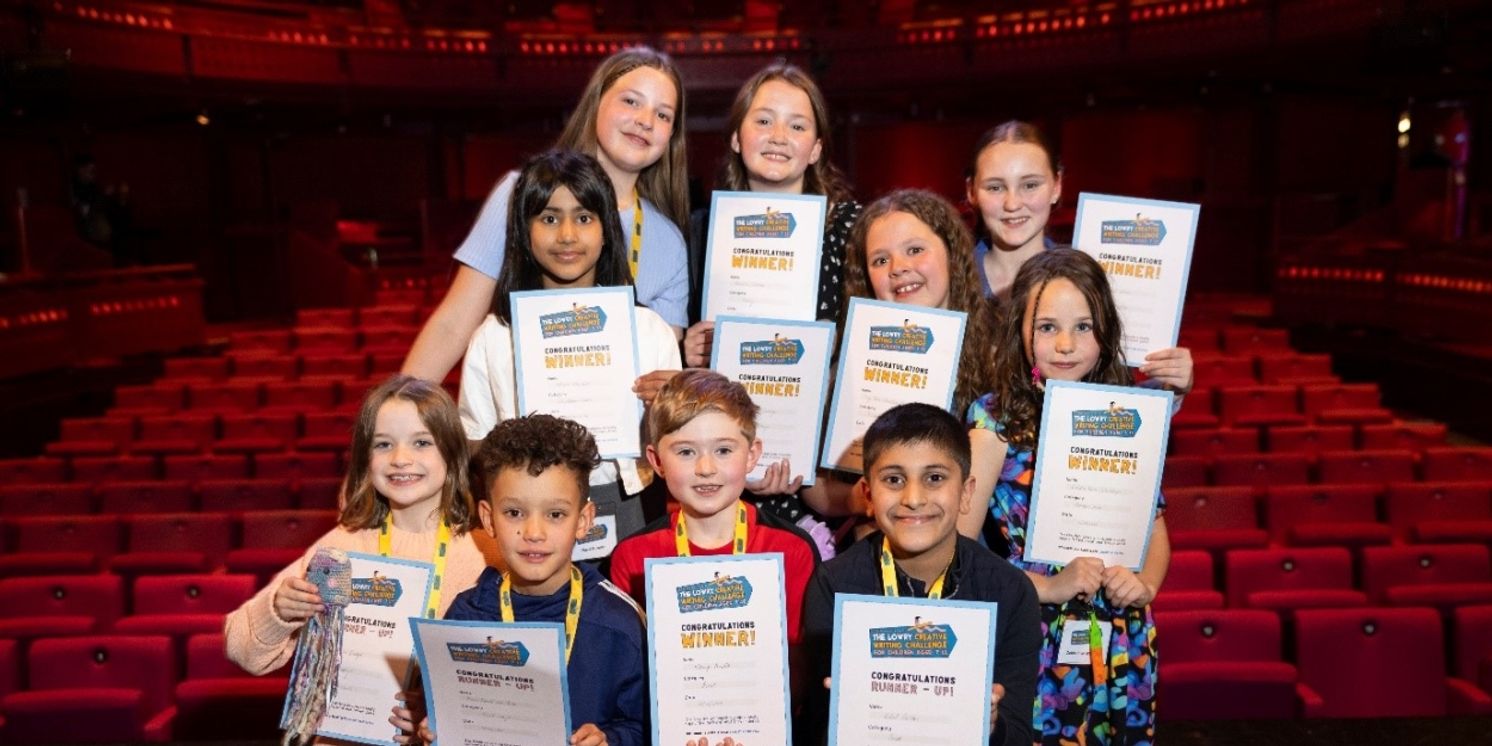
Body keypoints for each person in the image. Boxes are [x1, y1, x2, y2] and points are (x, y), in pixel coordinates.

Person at [968, 249, 1187, 744]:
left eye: (1083, 327)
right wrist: (1045, 588)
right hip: (1033, 634)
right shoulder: (992, 422)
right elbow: (961, 552)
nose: (1065, 344)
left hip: (1120, 639)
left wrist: (1145, 584)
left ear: (1105, 331)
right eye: (1046, 327)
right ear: (1019, 331)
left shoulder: (1129, 412)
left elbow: (1154, 528)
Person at [403, 46, 690, 382]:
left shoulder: (669, 241)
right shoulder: (517, 195)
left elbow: (661, 365)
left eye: (663, 114)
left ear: (671, 136)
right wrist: (399, 412)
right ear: (596, 103)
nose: (645, 120)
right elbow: (453, 326)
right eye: (631, 101)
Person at [458, 150, 682, 555]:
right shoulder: (494, 336)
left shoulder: (648, 331)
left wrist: (679, 410)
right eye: (548, 218)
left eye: (583, 218)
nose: (566, 236)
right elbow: (474, 443)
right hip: (530, 517)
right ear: (523, 231)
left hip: (631, 503)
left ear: (606, 229)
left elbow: (676, 449)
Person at [798, 403, 1041, 746]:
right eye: (894, 480)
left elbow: (1018, 734)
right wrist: (839, 715)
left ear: (967, 493)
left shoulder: (1010, 591)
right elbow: (813, 728)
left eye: (935, 478)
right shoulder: (834, 584)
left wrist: (992, 726)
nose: (913, 498)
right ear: (868, 495)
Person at [223, 375, 494, 674]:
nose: (400, 458)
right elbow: (242, 649)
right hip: (351, 718)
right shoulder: (341, 549)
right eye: (383, 444)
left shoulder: (489, 552)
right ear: (366, 460)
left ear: (452, 454)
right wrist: (279, 610)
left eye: (421, 442)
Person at [425, 414, 648, 746]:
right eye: (514, 513)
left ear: (584, 520)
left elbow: (645, 727)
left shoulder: (619, 624)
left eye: (555, 514)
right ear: (488, 518)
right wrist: (436, 730)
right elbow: (447, 716)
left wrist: (611, 739)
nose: (533, 533)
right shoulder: (466, 615)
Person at [802, 189, 1000, 541]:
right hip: (875, 552)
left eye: (914, 250)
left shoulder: (998, 355)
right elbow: (816, 487)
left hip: (970, 556)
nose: (899, 269)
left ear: (952, 254)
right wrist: (863, 498)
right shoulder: (848, 365)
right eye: (880, 260)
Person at [608, 370, 819, 646]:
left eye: (723, 451)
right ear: (657, 461)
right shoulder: (633, 556)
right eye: (686, 452)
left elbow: (800, 664)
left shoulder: (792, 549)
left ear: (752, 455)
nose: (705, 469)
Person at [679, 60, 862, 350]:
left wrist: (835, 346)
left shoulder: (853, 229)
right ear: (737, 138)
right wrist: (689, 347)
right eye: (764, 121)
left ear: (815, 149)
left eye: (797, 126)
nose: (778, 137)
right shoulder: (700, 235)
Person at [964, 120, 1064, 302]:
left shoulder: (1084, 279)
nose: (1012, 204)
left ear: (1056, 187)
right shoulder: (951, 281)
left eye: (1030, 185)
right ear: (971, 192)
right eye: (995, 188)